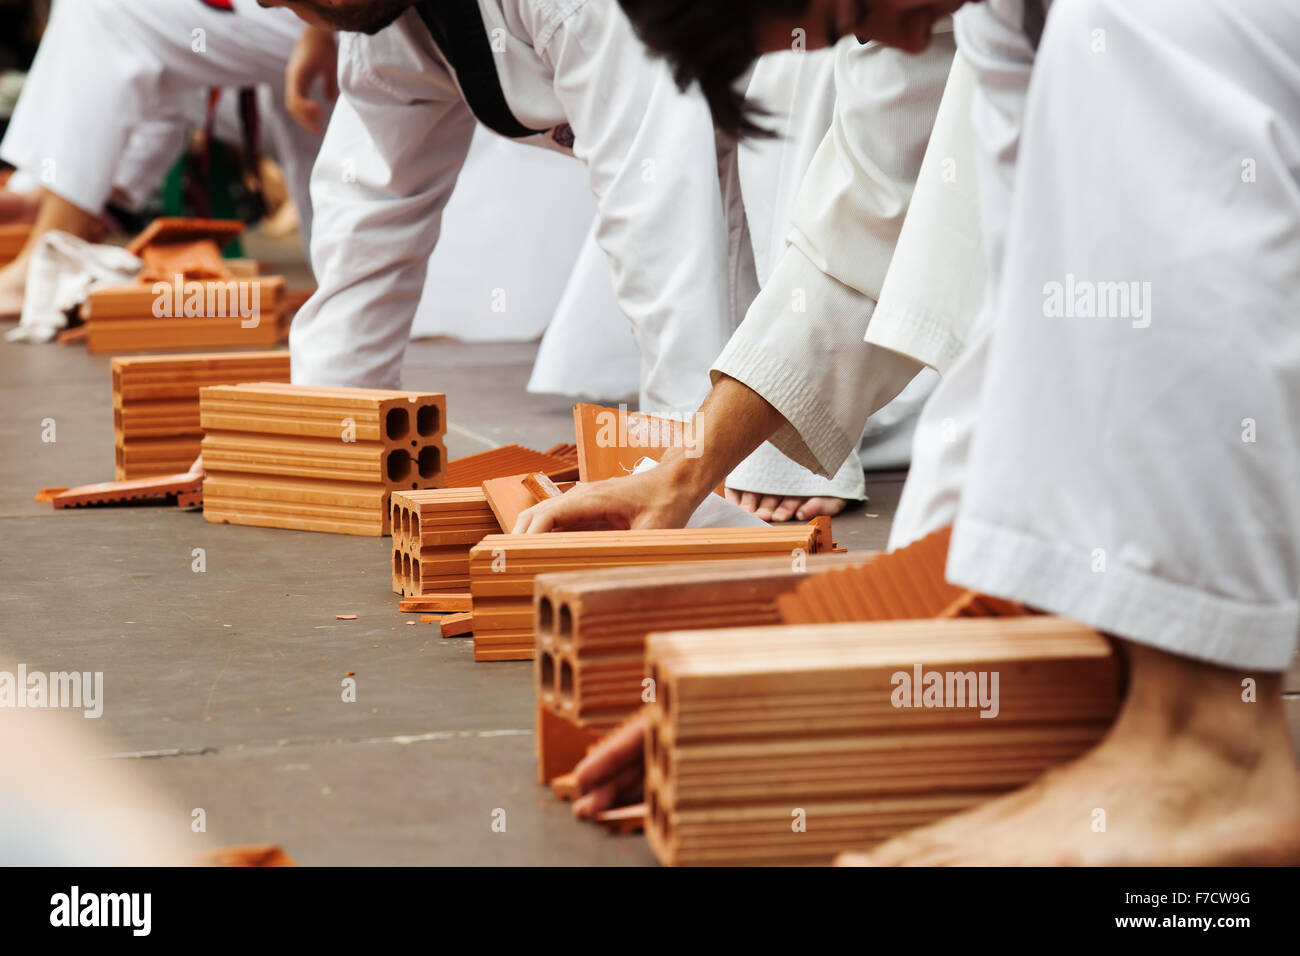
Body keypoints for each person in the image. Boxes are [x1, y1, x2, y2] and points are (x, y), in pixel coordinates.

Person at [534, 0, 1300, 864]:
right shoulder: (985, 23)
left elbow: (1180, 254)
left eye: (851, 12)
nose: (890, 40)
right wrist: (840, 670)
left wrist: (1193, 731)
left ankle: (1213, 753)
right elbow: (970, 288)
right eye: (843, 37)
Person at [264, 0, 954, 521]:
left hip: (802, 74)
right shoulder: (384, 36)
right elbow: (368, 220)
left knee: (792, 137)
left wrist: (679, 469)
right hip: (767, 78)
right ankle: (749, 436)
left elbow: (656, 213)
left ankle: (775, 452)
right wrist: (322, 438)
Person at [0, 0, 334, 317]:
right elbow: (166, 77)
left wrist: (318, 31)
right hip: (312, 59)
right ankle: (54, 208)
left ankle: (50, 257)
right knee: (338, 269)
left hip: (340, 28)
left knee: (109, 8)